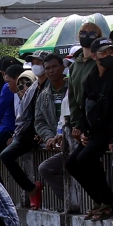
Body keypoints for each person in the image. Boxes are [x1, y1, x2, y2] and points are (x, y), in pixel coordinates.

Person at [66, 38, 113, 221]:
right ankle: (99, 200)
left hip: (109, 131)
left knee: (85, 159)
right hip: (93, 131)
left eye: (111, 51)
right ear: (94, 56)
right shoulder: (92, 77)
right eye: (104, 52)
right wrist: (83, 131)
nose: (109, 55)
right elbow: (85, 105)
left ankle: (107, 201)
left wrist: (111, 137)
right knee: (72, 163)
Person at [0, 66, 44, 203]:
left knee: (6, 155)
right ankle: (31, 188)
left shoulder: (39, 94)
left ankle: (31, 189)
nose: (24, 88)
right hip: (25, 133)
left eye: (28, 83)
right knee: (5, 154)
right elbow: (21, 122)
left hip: (37, 134)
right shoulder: (22, 100)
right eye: (21, 85)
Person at [34, 54, 69, 209]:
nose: (50, 71)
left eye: (54, 67)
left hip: (72, 141)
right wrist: (49, 137)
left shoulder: (73, 88)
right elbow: (39, 121)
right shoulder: (43, 95)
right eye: (47, 68)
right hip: (55, 144)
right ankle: (69, 200)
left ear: (62, 67)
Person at [67, 22, 103, 148]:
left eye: (92, 34)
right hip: (81, 119)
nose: (86, 36)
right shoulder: (73, 66)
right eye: (82, 33)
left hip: (97, 118)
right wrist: (76, 124)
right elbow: (72, 98)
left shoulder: (98, 63)